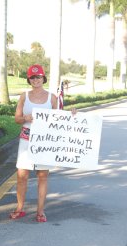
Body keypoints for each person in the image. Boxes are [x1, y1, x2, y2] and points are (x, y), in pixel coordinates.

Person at [10, 64, 75, 223]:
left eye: (38, 77)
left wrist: (72, 116)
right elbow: (17, 119)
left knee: (42, 176)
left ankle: (40, 211)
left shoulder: (51, 97)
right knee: (22, 176)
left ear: (43, 78)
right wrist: (25, 118)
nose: (35, 80)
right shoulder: (24, 96)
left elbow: (59, 119)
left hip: (45, 142)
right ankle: (19, 208)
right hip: (26, 140)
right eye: (32, 77)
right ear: (29, 79)